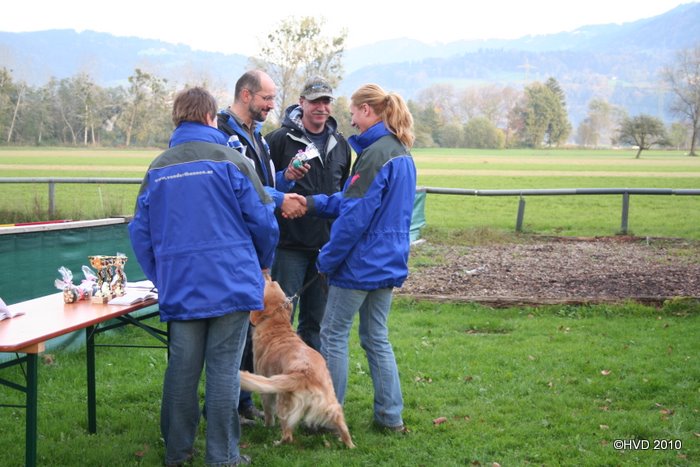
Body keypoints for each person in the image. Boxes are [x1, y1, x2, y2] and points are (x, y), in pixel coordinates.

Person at [129, 86, 278, 466]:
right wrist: (261, 263)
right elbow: (263, 220)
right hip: (232, 283)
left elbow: (140, 232)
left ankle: (177, 452)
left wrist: (162, 276)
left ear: (177, 119)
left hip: (181, 286)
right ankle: (223, 456)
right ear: (211, 118)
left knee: (182, 370)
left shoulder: (158, 168)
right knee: (223, 371)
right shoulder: (232, 160)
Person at [306, 83, 416, 432]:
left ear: (367, 110)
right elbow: (357, 202)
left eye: (353, 112)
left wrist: (327, 259)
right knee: (376, 337)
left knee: (333, 335)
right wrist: (313, 203)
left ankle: (328, 417)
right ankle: (390, 416)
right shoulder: (400, 152)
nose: (351, 120)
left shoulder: (374, 154)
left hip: (359, 265)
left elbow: (354, 217)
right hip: (388, 262)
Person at [217, 69, 308, 424]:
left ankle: (243, 402)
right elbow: (240, 187)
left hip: (259, 244)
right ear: (246, 95)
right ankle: (227, 406)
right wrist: (281, 198)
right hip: (236, 246)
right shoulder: (223, 134)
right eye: (267, 98)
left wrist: (286, 179)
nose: (272, 105)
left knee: (249, 330)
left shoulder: (258, 137)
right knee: (237, 330)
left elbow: (262, 184)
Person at [266, 76, 352, 352]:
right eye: (315, 101)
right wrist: (286, 177)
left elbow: (344, 193)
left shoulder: (341, 144)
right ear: (301, 102)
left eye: (326, 101)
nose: (321, 107)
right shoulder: (278, 141)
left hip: (325, 248)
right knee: (279, 321)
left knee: (317, 324)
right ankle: (275, 373)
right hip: (288, 247)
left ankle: (310, 374)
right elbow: (261, 189)